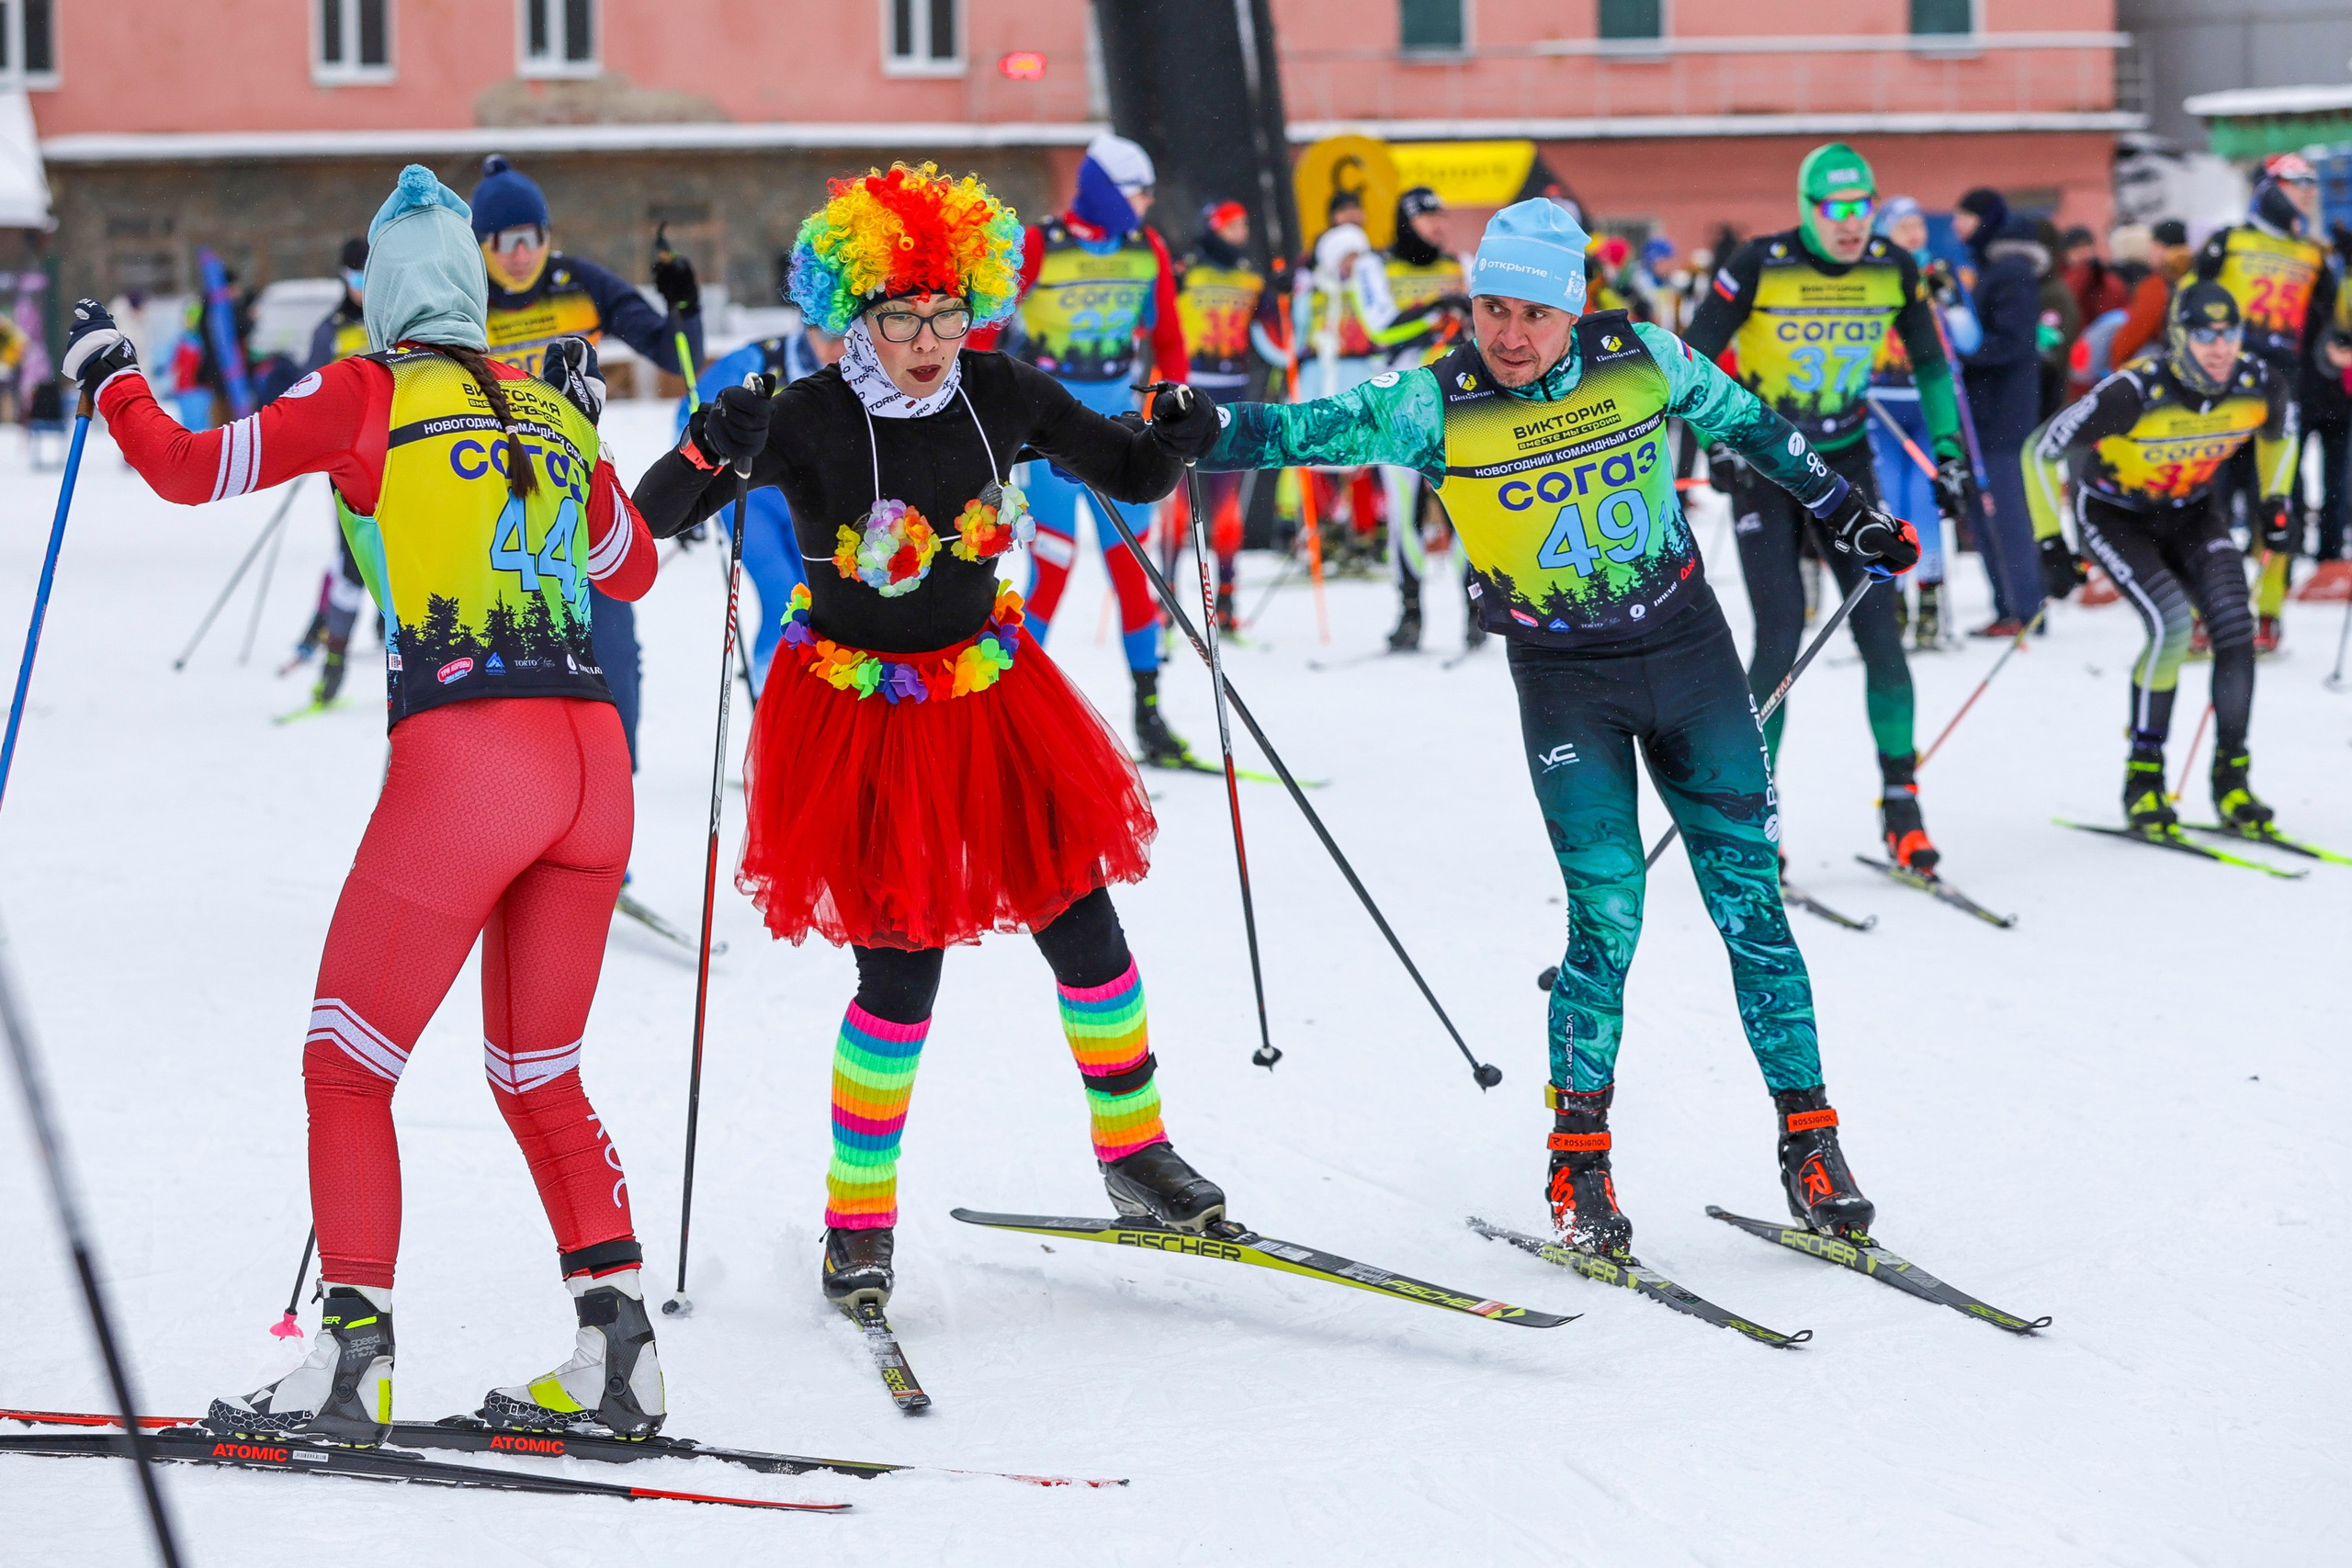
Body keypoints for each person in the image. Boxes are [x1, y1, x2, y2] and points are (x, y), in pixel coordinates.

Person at [59, 165, 666, 1443]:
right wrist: (583, 437)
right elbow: (633, 563)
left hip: (470, 762)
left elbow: (183, 465)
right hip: (592, 766)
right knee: (538, 1068)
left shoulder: (369, 388)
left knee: (348, 1061)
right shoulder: (548, 405)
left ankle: (350, 1364)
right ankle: (618, 1355)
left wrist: (113, 372)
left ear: (383, 295)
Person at [1202, 197, 1915, 1256]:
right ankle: (1577, 1164)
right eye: (1490, 306)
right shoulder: (1434, 402)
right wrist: (1194, 430)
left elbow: (1756, 428)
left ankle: (1810, 1145)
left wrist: (1842, 508)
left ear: (1571, 310)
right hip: (1564, 681)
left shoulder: (1645, 358)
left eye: (1531, 312)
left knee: (1751, 906)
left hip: (1690, 659)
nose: (1506, 333)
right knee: (1607, 917)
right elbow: (1305, 428)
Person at [628, 163, 1226, 1310]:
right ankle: (856, 1218)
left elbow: (1134, 472)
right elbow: (653, 525)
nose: (929, 340)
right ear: (853, 315)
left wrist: (1176, 432)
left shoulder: (1001, 391)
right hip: (863, 723)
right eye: (901, 317)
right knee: (899, 981)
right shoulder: (803, 418)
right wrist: (711, 442)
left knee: (1086, 931)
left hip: (996, 706)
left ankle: (1137, 1154)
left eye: (947, 313)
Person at [1682, 146, 1970, 874]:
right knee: (1778, 638)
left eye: (1862, 206)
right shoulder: (1758, 262)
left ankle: (1902, 809)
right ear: (1807, 208)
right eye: (1834, 208)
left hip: (1844, 465)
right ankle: (1756, 821)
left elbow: (1932, 364)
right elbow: (1691, 359)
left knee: (1883, 636)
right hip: (1764, 463)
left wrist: (1950, 451)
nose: (1850, 223)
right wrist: (1715, 442)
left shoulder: (1893, 268)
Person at [2026, 282, 2296, 839]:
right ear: (2178, 338)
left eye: (2229, 334)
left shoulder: (2257, 383)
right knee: (2172, 627)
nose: (2220, 348)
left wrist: (2276, 499)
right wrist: (2051, 542)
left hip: (2193, 514)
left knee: (2235, 629)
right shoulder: (2134, 392)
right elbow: (2039, 451)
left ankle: (2232, 781)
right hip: (2114, 516)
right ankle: (2144, 781)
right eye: (2204, 335)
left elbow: (2279, 438)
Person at [469, 152, 706, 767]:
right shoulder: (464, 301)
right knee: (513, 659)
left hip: (577, 493)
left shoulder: (582, 285)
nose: (521, 253)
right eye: (504, 242)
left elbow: (674, 350)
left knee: (612, 650)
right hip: (492, 502)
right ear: (480, 245)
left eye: (533, 238)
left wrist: (685, 304)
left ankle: (612, 784)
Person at [971, 133, 1193, 765]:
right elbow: (986, 337)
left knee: (1133, 569)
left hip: (1120, 426)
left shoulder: (1145, 248)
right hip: (1045, 431)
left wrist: (1170, 410)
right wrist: (984, 419)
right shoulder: (1040, 244)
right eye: (1138, 192)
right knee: (1055, 565)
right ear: (1107, 191)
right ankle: (1006, 710)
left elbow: (1171, 339)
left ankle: (1149, 714)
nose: (1148, 203)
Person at [2197, 155, 2352, 639]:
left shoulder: (2312, 254)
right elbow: (2189, 304)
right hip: (2224, 386)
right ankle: (2209, 609)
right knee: (2212, 502)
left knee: (2276, 502)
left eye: (2312, 183)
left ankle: (2268, 611)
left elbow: (2335, 322)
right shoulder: (2229, 241)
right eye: (2296, 182)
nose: (2307, 191)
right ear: (2271, 185)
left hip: (2281, 388)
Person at [675, 312, 846, 694]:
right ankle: (772, 693)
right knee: (785, 597)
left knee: (825, 603)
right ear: (807, 327)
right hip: (753, 503)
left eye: (849, 335)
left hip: (813, 501)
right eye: (830, 336)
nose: (839, 348)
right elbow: (690, 418)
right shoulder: (757, 362)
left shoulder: (857, 372)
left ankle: (819, 693)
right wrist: (692, 496)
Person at [1870, 194, 1984, 649]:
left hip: (1928, 405)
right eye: (1903, 228)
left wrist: (1951, 301)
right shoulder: (1872, 277)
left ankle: (1930, 600)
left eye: (1918, 224)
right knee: (1888, 503)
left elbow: (1970, 340)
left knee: (1925, 502)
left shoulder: (1938, 274)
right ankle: (1893, 603)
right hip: (1881, 404)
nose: (1914, 234)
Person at [1170, 199, 1285, 629]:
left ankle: (1227, 597)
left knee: (1225, 501)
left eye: (1243, 225)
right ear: (1212, 228)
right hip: (1187, 388)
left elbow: (1276, 340)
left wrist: (1279, 295)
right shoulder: (1187, 273)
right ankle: (1168, 592)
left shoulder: (1251, 280)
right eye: (1231, 225)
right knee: (1180, 498)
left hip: (1231, 392)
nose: (1240, 233)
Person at [1374, 186, 1476, 651]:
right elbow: (1380, 326)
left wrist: (1461, 316)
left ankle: (1477, 611)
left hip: (1455, 399)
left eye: (1441, 217)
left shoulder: (1460, 264)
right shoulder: (1379, 266)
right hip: (1398, 402)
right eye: (1426, 218)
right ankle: (1410, 613)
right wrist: (1434, 310)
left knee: (1468, 504)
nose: (1436, 226)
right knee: (1405, 513)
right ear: (1405, 220)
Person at [283, 237, 376, 710]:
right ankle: (332, 664)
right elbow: (305, 393)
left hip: (405, 460)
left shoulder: (398, 320)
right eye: (356, 279)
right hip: (348, 467)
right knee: (353, 563)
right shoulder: (332, 331)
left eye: (371, 275)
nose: (364, 287)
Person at [1951, 187, 2049, 634]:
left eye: (1965, 217)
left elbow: (2013, 343)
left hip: (2001, 415)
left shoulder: (2010, 273)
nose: (1957, 226)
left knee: (2004, 515)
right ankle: (2009, 606)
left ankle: (2024, 609)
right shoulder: (1994, 268)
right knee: (1987, 514)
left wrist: (1965, 353)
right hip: (1987, 412)